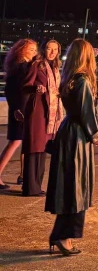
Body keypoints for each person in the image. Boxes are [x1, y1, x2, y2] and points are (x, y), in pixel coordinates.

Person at [45, 39, 98, 256]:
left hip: (68, 132)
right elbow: (86, 113)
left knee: (70, 185)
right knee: (76, 187)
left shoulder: (70, 77)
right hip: (77, 138)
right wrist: (96, 136)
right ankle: (65, 237)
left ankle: (60, 235)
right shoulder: (82, 81)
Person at [22, 40, 65, 196]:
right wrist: (36, 87)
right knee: (34, 148)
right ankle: (29, 188)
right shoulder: (37, 65)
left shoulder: (56, 68)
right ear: (43, 50)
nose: (52, 52)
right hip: (38, 111)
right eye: (49, 49)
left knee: (43, 149)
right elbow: (25, 85)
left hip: (51, 114)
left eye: (55, 49)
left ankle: (37, 187)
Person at [0, 39, 38, 189]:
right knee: (16, 141)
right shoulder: (21, 67)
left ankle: (23, 175)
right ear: (21, 50)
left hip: (22, 108)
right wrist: (16, 108)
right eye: (30, 50)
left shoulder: (22, 66)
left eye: (35, 50)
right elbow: (10, 90)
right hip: (20, 109)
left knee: (22, 141)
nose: (34, 53)